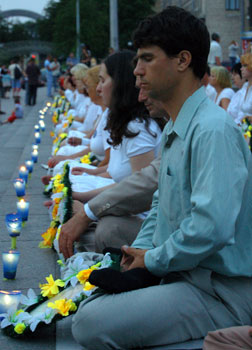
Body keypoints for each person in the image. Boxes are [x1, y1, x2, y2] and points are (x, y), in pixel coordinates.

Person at [70, 6, 252, 350]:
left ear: (183, 60)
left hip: (219, 292)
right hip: (184, 275)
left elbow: (210, 227)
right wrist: (139, 255)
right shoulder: (176, 126)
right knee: (92, 299)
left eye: (147, 59)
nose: (136, 71)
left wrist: (152, 261)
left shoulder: (212, 129)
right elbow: (158, 207)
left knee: (90, 323)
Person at [59, 89, 167, 255]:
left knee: (106, 228)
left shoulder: (137, 128)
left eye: (103, 81)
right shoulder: (129, 124)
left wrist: (87, 211)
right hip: (138, 208)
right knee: (71, 204)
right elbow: (121, 174)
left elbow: (142, 188)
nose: (97, 89)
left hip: (146, 217)